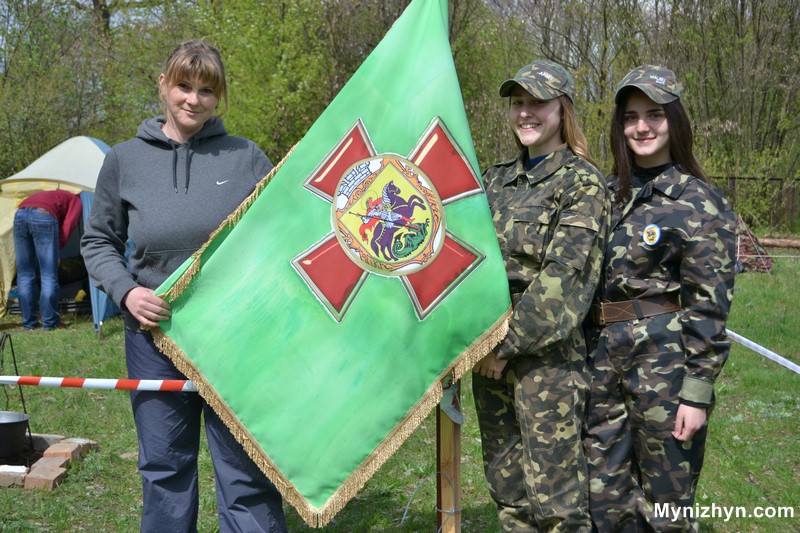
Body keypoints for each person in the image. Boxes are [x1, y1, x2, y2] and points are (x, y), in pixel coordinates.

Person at [81, 39, 287, 532]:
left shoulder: (247, 158)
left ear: (219, 98)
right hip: (154, 340)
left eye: (207, 90)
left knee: (246, 466)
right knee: (165, 468)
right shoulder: (124, 160)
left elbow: (279, 236)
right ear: (163, 87)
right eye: (183, 87)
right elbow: (97, 241)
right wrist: (127, 291)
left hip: (234, 340)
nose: (193, 100)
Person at [583, 65, 736, 532]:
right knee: (603, 496)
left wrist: (695, 393)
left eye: (654, 114)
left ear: (675, 121)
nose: (642, 127)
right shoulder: (605, 196)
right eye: (631, 117)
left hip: (664, 366)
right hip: (601, 362)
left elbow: (709, 307)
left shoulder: (698, 202)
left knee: (666, 501)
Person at [472, 59, 610, 532]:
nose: (526, 113)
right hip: (487, 351)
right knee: (508, 492)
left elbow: (564, 279)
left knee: (556, 502)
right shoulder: (493, 181)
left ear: (562, 110)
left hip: (545, 360)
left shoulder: (582, 182)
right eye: (518, 103)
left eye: (538, 103)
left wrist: (504, 346)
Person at [13, 189, 82, 330]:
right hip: (43, 216)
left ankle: (29, 323)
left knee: (24, 274)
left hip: (19, 215)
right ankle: (50, 322)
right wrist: (56, 250)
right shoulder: (76, 200)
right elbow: (69, 224)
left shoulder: (52, 194)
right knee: (48, 274)